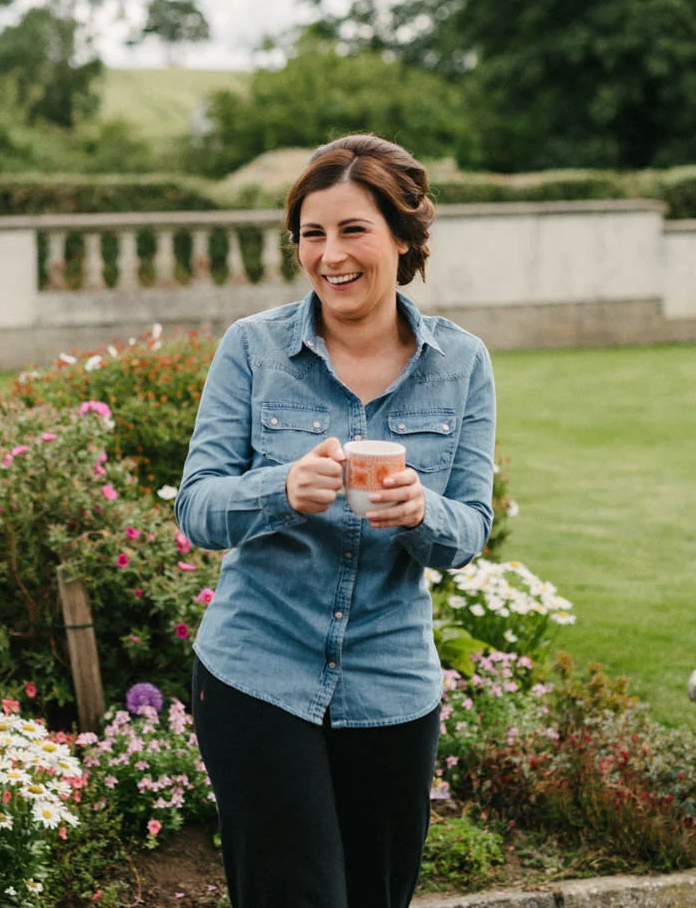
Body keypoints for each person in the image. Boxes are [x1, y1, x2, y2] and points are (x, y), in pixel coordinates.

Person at [176, 134, 496, 908]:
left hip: (390, 684)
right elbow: (197, 507)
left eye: (352, 229)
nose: (330, 255)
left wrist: (422, 511)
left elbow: (470, 526)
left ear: (402, 237)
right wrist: (281, 488)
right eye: (311, 234)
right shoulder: (252, 349)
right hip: (257, 673)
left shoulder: (461, 362)